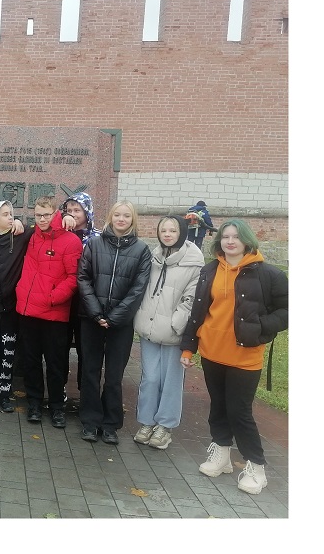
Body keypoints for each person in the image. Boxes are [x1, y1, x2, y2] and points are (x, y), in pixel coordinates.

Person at [181, 219, 287, 495]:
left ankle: (257, 466)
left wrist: (261, 328)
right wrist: (188, 346)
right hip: (212, 352)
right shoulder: (210, 270)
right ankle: (222, 455)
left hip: (245, 355)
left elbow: (287, 310)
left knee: (240, 412)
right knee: (218, 406)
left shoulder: (267, 274)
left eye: (236, 237)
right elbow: (199, 311)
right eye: (225, 236)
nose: (230, 241)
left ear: (246, 240)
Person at [0, 201, 75, 413]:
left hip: (11, 306)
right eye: (5, 215)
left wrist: (65, 218)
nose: (11, 218)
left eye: (12, 214)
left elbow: (46, 229)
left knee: (8, 351)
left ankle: (4, 393)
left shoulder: (21, 236)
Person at [77, 200, 151, 444]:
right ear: (110, 217)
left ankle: (110, 424)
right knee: (89, 371)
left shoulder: (141, 250)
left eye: (126, 216)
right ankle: (90, 421)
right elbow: (84, 278)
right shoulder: (95, 245)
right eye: (117, 214)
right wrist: (97, 314)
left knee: (114, 375)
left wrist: (114, 317)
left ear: (133, 220)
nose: (121, 219)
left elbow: (138, 288)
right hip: (92, 319)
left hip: (120, 323)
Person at [132, 215, 203, 450]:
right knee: (150, 378)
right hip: (148, 326)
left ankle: (165, 426)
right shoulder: (153, 257)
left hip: (174, 331)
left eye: (173, 230)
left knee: (171, 380)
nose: (168, 234)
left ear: (181, 232)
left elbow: (190, 300)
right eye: (164, 230)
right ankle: (146, 421)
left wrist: (176, 324)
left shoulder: (194, 262)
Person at [15, 196, 82, 428]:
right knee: (31, 362)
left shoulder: (71, 241)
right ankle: (34, 403)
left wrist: (53, 298)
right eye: (38, 215)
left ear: (55, 214)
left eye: (46, 215)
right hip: (28, 311)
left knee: (55, 364)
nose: (42, 219)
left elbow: (74, 278)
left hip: (54, 314)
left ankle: (56, 408)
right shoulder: (33, 236)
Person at [60, 191, 102, 405]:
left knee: (87, 348)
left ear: (87, 212)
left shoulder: (98, 238)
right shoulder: (60, 233)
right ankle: (60, 390)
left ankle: (86, 393)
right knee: (60, 347)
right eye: (69, 210)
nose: (73, 214)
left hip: (87, 302)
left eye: (78, 210)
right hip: (63, 299)